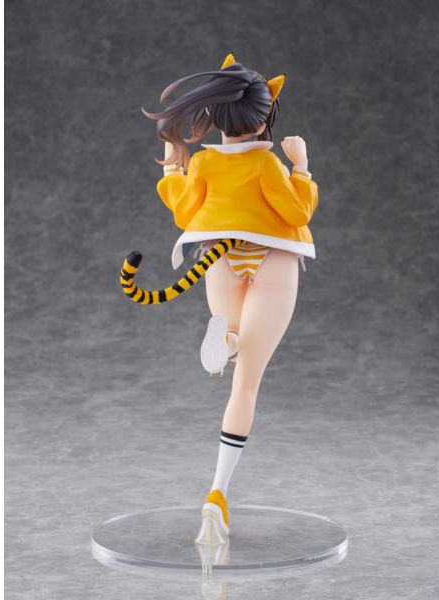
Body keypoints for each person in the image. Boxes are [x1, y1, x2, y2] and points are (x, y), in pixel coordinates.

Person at [141, 53, 319, 545]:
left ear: (215, 115)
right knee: (246, 384)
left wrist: (173, 167)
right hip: (271, 257)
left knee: (236, 346)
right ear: (263, 118)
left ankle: (230, 337)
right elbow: (297, 210)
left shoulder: (202, 161)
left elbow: (184, 212)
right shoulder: (266, 162)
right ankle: (217, 493)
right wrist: (302, 166)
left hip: (218, 257)